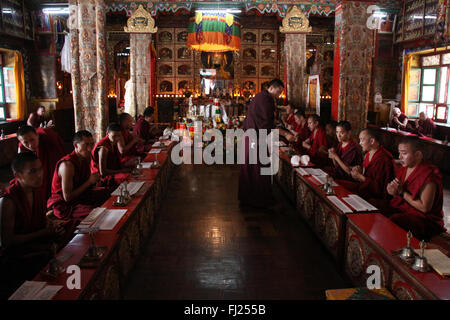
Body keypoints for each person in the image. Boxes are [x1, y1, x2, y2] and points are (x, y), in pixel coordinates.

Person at [0, 152, 64, 298]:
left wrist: (52, 225)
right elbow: (7, 242)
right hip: (17, 257)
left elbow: (41, 220)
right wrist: (44, 233)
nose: (40, 174)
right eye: (33, 171)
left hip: (37, 244)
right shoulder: (8, 201)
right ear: (18, 176)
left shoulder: (37, 191)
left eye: (40, 169)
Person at [383, 137, 446, 240]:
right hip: (404, 209)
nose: (400, 157)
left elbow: (424, 208)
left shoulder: (428, 175)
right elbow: (398, 194)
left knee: (395, 220)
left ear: (418, 155)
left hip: (425, 220)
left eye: (404, 153)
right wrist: (392, 190)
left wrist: (402, 193)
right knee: (377, 207)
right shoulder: (405, 167)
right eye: (399, 153)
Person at [47, 131, 110, 227]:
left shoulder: (84, 158)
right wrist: (89, 182)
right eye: (86, 145)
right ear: (76, 145)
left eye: (92, 144)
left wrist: (95, 182)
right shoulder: (67, 165)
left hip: (81, 196)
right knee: (96, 214)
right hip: (66, 206)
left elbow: (85, 183)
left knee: (109, 193)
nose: (90, 149)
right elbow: (67, 197)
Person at [238, 78, 284, 209]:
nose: (279, 95)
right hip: (256, 138)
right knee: (260, 168)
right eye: (279, 91)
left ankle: (248, 198)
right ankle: (262, 200)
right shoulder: (266, 99)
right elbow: (265, 122)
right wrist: (281, 131)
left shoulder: (260, 96)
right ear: (273, 88)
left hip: (252, 136)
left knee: (251, 168)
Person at [338, 127, 395, 200]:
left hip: (375, 197)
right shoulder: (368, 154)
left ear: (372, 141)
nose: (360, 143)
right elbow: (366, 174)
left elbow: (380, 189)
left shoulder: (383, 159)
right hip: (364, 188)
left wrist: (361, 177)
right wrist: (359, 171)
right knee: (337, 184)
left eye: (362, 140)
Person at [17, 125, 66, 198]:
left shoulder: (49, 140)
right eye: (26, 142)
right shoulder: (22, 147)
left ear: (37, 135)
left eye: (32, 140)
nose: (30, 145)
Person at [91, 123, 131, 188]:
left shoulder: (112, 142)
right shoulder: (104, 148)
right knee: (127, 177)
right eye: (114, 136)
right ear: (107, 134)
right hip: (102, 178)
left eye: (119, 136)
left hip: (112, 171)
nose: (117, 138)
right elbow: (103, 172)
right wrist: (122, 171)